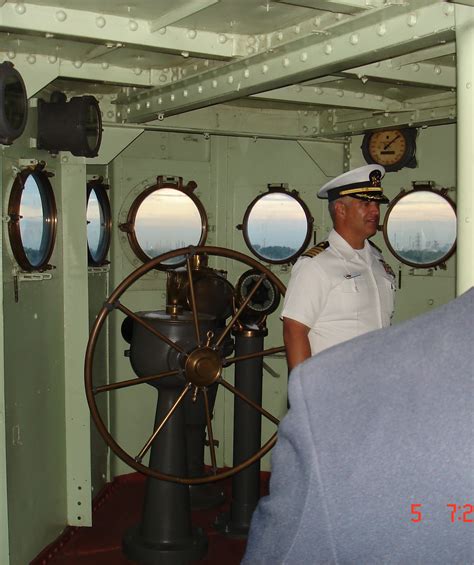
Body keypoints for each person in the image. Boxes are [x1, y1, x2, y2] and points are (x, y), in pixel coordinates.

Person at [242, 288, 474, 565]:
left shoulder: (375, 265)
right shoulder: (316, 268)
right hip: (341, 408)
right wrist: (312, 408)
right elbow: (294, 330)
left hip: (367, 404)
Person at [282, 164, 396, 370]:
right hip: (334, 386)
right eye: (365, 203)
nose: (375, 210)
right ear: (340, 209)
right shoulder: (316, 265)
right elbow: (294, 330)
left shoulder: (378, 262)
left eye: (377, 204)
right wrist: (306, 394)